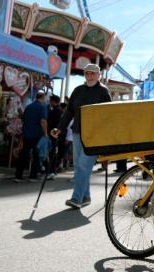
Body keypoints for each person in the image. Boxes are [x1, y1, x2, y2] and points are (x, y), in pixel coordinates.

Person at [51, 64, 111, 208]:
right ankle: (86, 196)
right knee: (79, 166)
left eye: (93, 74)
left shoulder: (103, 91)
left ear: (98, 76)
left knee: (83, 166)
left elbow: (109, 114)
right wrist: (59, 128)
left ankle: (76, 198)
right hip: (78, 132)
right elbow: (69, 112)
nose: (90, 76)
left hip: (94, 135)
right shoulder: (78, 90)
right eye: (87, 74)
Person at [15, 91, 48, 183]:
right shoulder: (42, 107)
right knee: (36, 155)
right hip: (37, 134)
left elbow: (23, 119)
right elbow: (43, 121)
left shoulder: (29, 107)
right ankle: (33, 176)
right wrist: (45, 133)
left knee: (23, 154)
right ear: (43, 97)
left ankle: (18, 176)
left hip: (26, 133)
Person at [46, 95, 62, 180]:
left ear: (53, 101)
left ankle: (51, 171)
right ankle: (53, 171)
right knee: (53, 153)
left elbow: (53, 123)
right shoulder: (59, 110)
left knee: (52, 153)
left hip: (53, 134)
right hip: (55, 135)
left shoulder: (56, 111)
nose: (49, 103)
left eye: (50, 101)